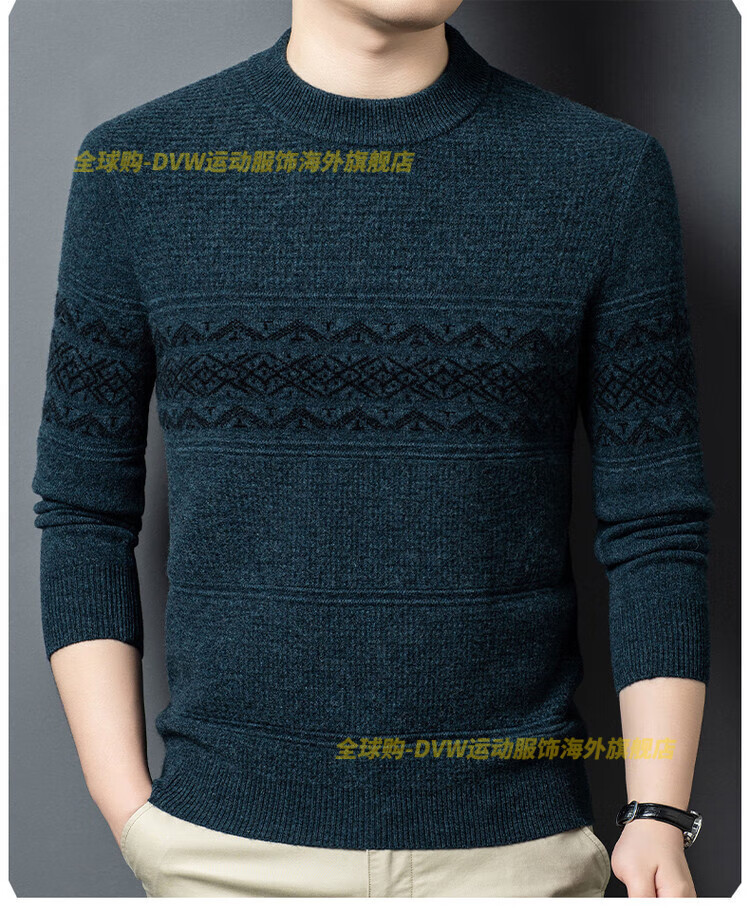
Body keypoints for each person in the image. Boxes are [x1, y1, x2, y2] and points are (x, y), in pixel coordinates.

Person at [31, 0, 714, 898]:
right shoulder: (138, 169)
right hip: (220, 854)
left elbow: (656, 522)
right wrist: (129, 809)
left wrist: (658, 812)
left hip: (516, 855)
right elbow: (83, 509)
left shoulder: (604, 174)